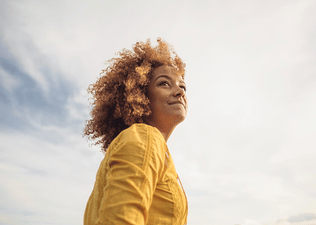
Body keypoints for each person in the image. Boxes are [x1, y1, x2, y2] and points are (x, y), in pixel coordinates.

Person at [83, 38, 188, 225]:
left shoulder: (148, 144)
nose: (180, 92)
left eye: (183, 86)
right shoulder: (146, 137)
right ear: (140, 94)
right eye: (164, 83)